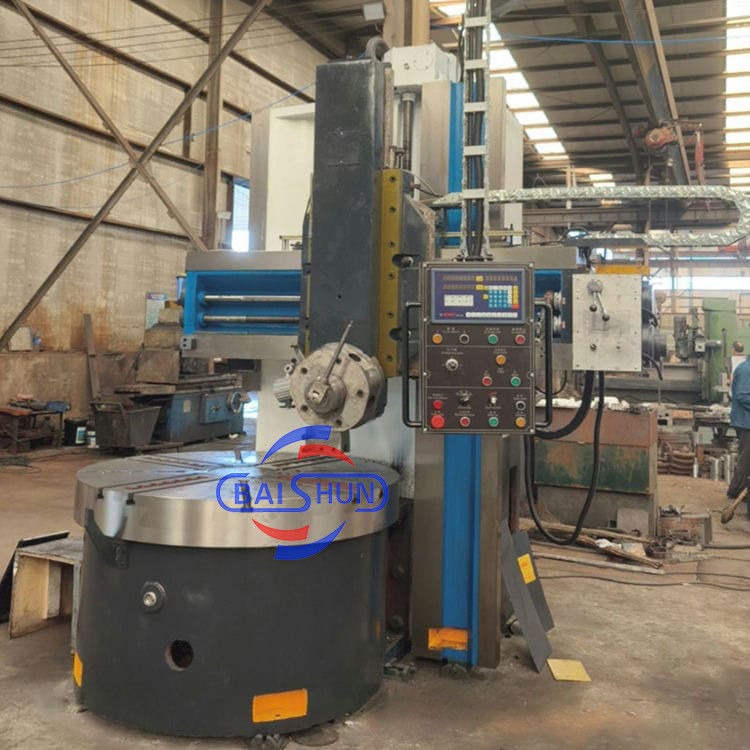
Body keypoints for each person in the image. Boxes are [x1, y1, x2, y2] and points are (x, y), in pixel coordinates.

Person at [727, 341, 750, 505]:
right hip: (745, 421)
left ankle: (741, 491)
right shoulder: (746, 370)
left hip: (745, 419)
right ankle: (735, 491)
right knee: (746, 458)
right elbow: (742, 396)